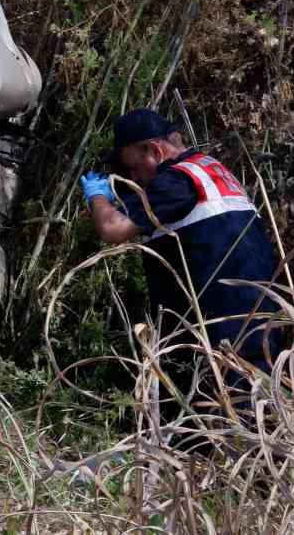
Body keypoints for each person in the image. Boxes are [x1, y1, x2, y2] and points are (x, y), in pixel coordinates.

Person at [79, 108, 280, 450]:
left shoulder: (173, 182)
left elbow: (112, 229)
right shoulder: (209, 169)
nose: (135, 177)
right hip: (255, 307)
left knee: (230, 410)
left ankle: (234, 482)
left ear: (155, 151)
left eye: (132, 168)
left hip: (219, 319)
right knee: (254, 398)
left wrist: (98, 197)